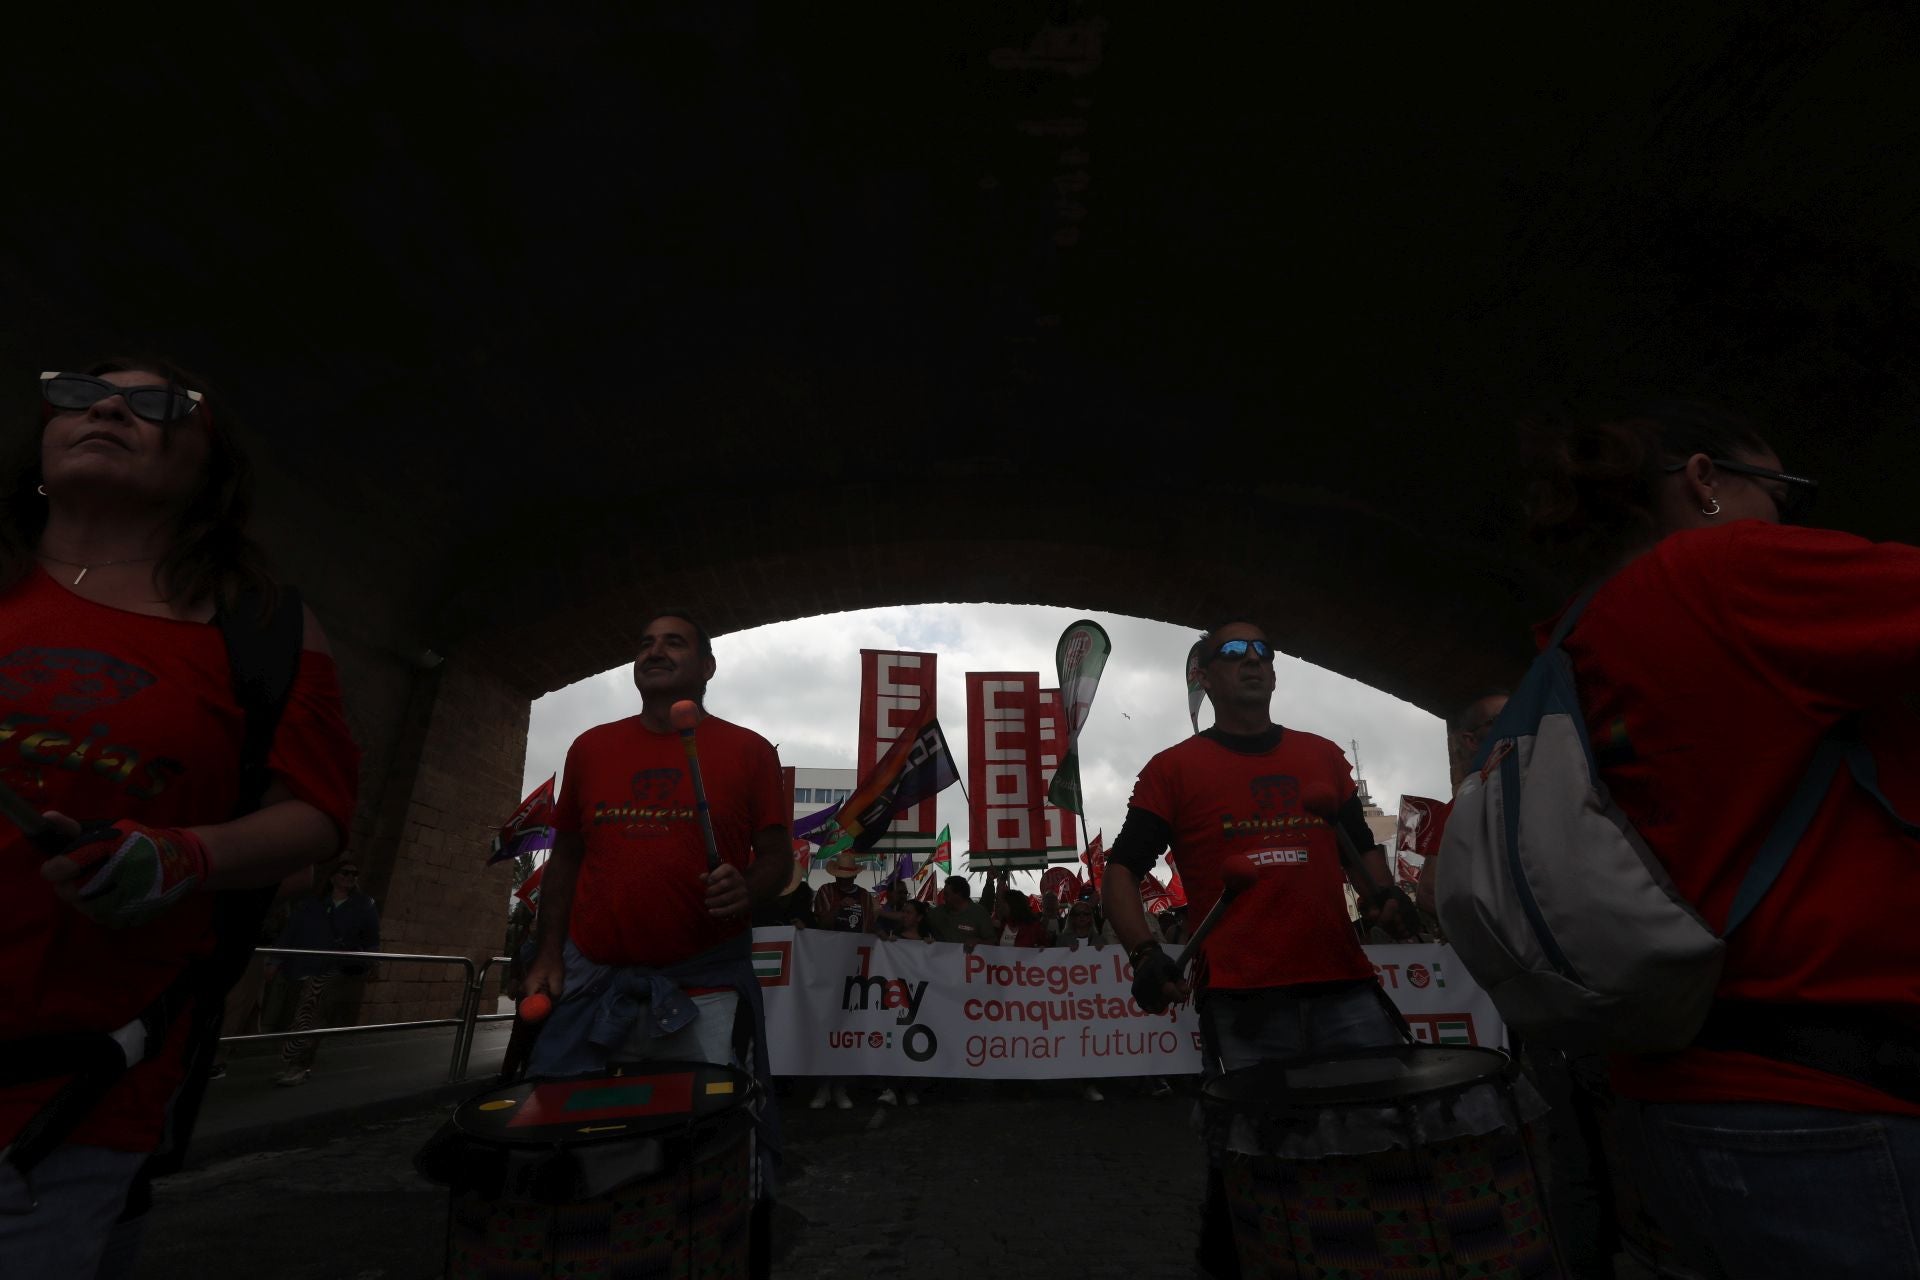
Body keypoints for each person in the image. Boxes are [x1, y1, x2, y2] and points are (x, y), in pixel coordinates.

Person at [1516, 403, 1920, 1279]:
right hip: (1835, 1104)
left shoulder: (1577, 634)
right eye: (1787, 496)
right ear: (1704, 480)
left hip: (1686, 1090)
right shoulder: (1730, 573)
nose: (1792, 523)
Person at [0, 359, 359, 1277]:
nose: (110, 406)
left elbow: (315, 813)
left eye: (160, 407)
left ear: (209, 472)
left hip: (63, 1092)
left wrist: (183, 856)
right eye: (78, 394)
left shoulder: (263, 628)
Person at [1102, 617, 1411, 1279]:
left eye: (1263, 651)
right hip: (1244, 1002)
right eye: (1233, 652)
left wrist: (1386, 895)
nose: (1253, 660)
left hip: (1345, 988)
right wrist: (1145, 954)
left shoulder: (1322, 757)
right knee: (1248, 1161)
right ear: (1204, 676)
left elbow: (1360, 849)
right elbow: (1122, 870)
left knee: (1373, 1148)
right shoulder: (1174, 770)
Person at [520, 608, 792, 1274]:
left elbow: (778, 856)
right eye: (644, 643)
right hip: (592, 982)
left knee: (710, 1142)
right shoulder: (589, 747)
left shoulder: (749, 751)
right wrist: (549, 955)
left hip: (704, 984)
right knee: (565, 1139)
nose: (655, 651)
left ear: (706, 666)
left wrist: (748, 887)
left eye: (674, 642)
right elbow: (567, 859)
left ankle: (704, 1252)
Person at [261, 858, 380, 1086]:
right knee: (293, 1015)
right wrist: (274, 960)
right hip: (301, 966)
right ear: (333, 876)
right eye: (345, 872)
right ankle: (291, 1063)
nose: (350, 877)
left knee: (311, 1015)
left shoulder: (363, 905)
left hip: (331, 968)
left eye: (354, 874)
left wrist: (374, 963)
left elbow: (372, 938)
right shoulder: (311, 904)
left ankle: (300, 1065)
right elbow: (291, 931)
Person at [809, 850, 872, 1110]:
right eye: (842, 876)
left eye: (848, 876)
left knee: (848, 1028)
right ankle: (823, 1085)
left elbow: (868, 930)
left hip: (854, 967)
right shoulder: (825, 891)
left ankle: (840, 1086)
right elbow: (821, 923)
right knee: (826, 1025)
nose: (845, 881)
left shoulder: (865, 897)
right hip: (828, 966)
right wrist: (837, 908)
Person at [923, 875, 997, 947]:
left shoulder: (979, 913)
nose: (943, 898)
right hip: (942, 958)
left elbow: (992, 942)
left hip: (969, 958)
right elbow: (918, 924)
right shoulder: (937, 913)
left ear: (958, 895)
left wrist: (979, 942)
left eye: (946, 894)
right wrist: (923, 938)